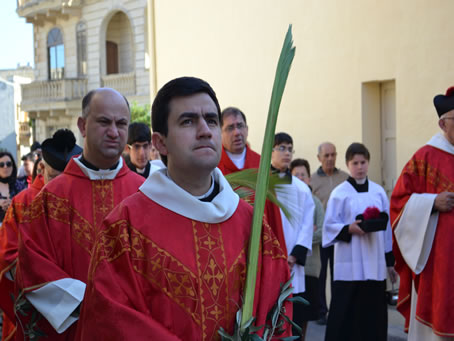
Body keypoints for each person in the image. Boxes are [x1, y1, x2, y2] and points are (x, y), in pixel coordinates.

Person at [76, 77, 292, 340]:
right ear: (160, 142)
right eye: (188, 121)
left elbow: (276, 304)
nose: (205, 130)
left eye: (211, 120)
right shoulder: (124, 227)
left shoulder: (248, 221)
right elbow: (109, 319)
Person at [14, 88, 144, 340]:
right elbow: (31, 263)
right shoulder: (51, 197)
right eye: (104, 122)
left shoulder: (146, 193)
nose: (114, 131)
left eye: (121, 123)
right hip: (74, 328)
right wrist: (90, 302)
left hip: (134, 330)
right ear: (83, 126)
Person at [0, 129, 82, 341]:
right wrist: (62, 291)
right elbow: (7, 258)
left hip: (83, 310)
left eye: (68, 178)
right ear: (42, 169)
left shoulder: (80, 200)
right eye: (55, 178)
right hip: (37, 306)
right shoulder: (23, 203)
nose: (61, 185)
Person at [391, 86, 454, 340]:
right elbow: (398, 203)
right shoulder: (425, 157)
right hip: (438, 263)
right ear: (442, 123)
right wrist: (431, 202)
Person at [322, 143, 397, 341]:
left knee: (372, 315)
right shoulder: (340, 193)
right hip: (349, 263)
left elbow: (387, 229)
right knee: (345, 314)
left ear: (369, 162)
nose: (360, 167)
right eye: (355, 163)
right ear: (348, 164)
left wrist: (390, 263)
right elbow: (329, 227)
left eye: (363, 162)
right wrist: (349, 229)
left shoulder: (378, 192)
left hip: (374, 261)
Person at [218, 106, 287, 253]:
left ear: (247, 129)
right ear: (219, 132)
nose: (237, 132)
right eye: (230, 128)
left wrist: (279, 251)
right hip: (226, 245)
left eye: (240, 126)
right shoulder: (214, 166)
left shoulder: (261, 165)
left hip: (259, 244)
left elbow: (272, 211)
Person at [271, 133, 314, 340]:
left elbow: (308, 224)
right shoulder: (260, 185)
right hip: (268, 261)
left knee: (292, 320)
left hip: (293, 263)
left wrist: (294, 256)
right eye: (281, 148)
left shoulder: (302, 189)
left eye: (290, 148)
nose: (287, 153)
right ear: (270, 151)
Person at [310, 142, 348, 324]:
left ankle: (337, 310)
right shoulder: (312, 180)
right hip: (322, 237)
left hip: (341, 235)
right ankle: (321, 311)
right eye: (326, 156)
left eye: (333, 154)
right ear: (319, 158)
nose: (330, 158)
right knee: (321, 274)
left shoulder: (345, 178)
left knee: (339, 273)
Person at [290, 158, 324, 340]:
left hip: (311, 267)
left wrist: (302, 239)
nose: (301, 178)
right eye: (296, 175)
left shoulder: (315, 202)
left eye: (304, 175)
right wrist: (304, 234)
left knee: (306, 313)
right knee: (293, 312)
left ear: (309, 179)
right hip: (293, 266)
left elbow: (322, 230)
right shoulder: (287, 200)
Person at [0, 151, 27, 223]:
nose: (5, 167)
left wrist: (14, 205)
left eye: (8, 164)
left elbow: (28, 208)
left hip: (16, 229)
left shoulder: (21, 186)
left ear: (13, 166)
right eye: (1, 165)